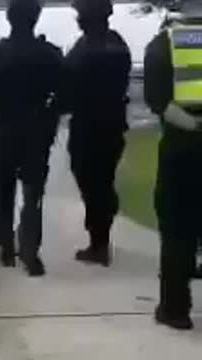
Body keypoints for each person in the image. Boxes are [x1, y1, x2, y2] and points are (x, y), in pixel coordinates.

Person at [0, 0, 63, 276]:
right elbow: (68, 94)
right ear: (36, 18)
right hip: (36, 130)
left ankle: (6, 246)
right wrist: (49, 116)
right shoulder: (49, 54)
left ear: (9, 19)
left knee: (3, 189)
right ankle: (31, 252)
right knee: (33, 193)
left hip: (3, 128)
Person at [144, 3, 202, 330]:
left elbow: (158, 99)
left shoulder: (165, 43)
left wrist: (193, 126)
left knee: (177, 226)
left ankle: (175, 308)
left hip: (184, 144)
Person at [64, 0, 131, 267]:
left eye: (81, 15)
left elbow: (66, 85)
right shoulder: (118, 44)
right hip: (113, 126)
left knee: (91, 184)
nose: (78, 19)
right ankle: (102, 228)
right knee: (102, 182)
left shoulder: (83, 50)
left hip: (87, 127)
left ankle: (99, 244)